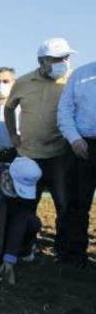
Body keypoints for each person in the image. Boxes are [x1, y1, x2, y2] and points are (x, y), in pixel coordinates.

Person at [5, 38, 76, 259]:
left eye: (66, 58)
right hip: (29, 155)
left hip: (59, 155)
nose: (64, 62)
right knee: (26, 206)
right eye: (57, 59)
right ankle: (27, 247)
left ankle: (62, 251)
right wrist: (13, 135)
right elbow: (9, 108)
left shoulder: (70, 82)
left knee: (63, 204)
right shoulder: (24, 82)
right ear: (42, 61)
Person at [58, 60, 96, 267]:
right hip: (82, 146)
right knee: (78, 203)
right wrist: (74, 138)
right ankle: (74, 255)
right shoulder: (80, 75)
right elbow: (64, 110)